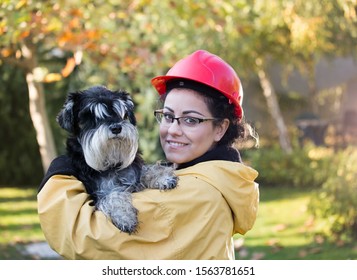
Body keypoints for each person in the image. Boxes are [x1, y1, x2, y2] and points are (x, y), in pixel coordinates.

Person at [37, 50, 259, 260]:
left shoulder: (194, 194)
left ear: (220, 128)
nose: (173, 129)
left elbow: (84, 239)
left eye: (191, 120)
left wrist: (61, 171)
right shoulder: (211, 177)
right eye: (168, 116)